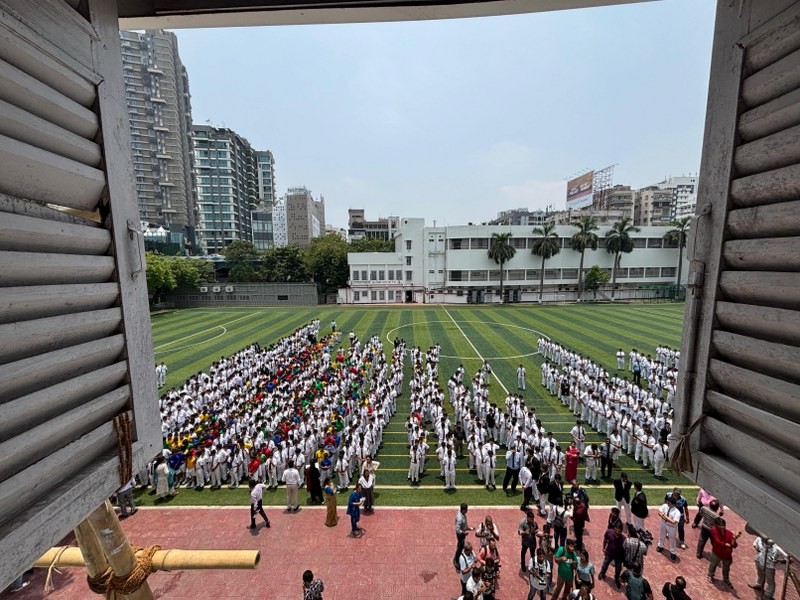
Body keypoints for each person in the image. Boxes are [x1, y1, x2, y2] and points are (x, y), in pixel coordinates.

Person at [708, 517, 741, 587]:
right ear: (717, 526)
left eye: (723, 526)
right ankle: (710, 575)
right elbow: (717, 541)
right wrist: (725, 544)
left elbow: (734, 545)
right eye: (720, 527)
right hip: (717, 553)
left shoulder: (729, 533)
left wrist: (734, 539)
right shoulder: (713, 530)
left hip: (727, 555)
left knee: (726, 568)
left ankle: (726, 579)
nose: (722, 528)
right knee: (713, 565)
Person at [599, 523, 626, 589]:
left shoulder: (624, 539)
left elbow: (624, 550)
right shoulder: (609, 532)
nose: (617, 532)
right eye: (616, 530)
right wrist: (604, 547)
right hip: (609, 553)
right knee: (605, 564)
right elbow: (605, 539)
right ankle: (602, 573)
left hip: (618, 556)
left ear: (621, 531)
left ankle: (616, 579)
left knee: (618, 569)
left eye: (619, 531)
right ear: (614, 529)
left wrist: (623, 560)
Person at [656, 497, 681, 561]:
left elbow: (673, 522)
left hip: (672, 527)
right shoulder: (665, 506)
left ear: (673, 504)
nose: (668, 504)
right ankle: (660, 546)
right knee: (662, 535)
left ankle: (673, 552)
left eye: (669, 503)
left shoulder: (677, 512)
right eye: (667, 503)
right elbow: (659, 512)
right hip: (663, 524)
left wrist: (664, 516)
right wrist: (663, 516)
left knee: (672, 539)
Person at [455, 503, 475, 569]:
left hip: (463, 533)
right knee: (461, 547)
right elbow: (457, 530)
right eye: (466, 510)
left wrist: (470, 528)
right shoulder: (460, 518)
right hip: (461, 535)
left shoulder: (463, 515)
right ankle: (456, 559)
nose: (467, 511)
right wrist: (464, 533)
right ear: (463, 510)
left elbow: (465, 525)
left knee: (460, 545)